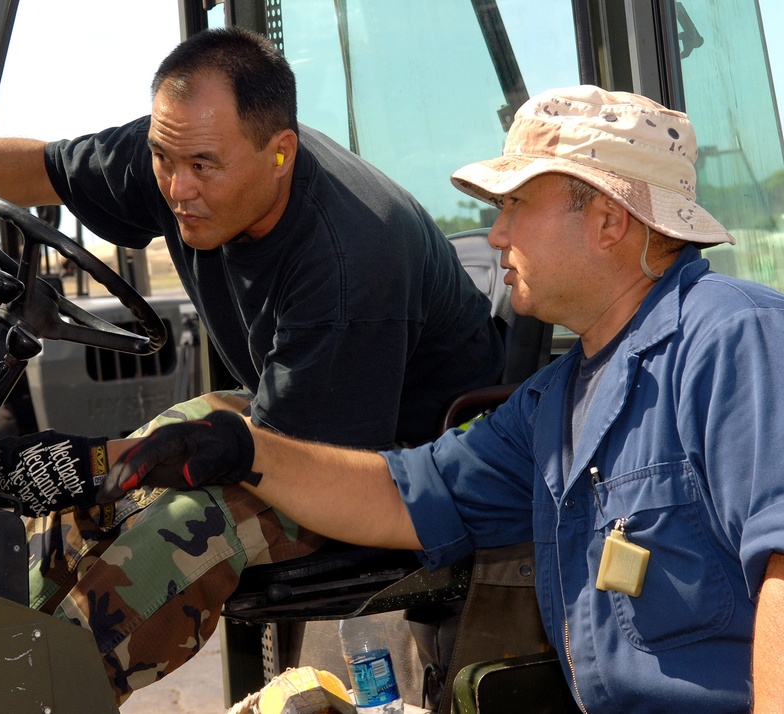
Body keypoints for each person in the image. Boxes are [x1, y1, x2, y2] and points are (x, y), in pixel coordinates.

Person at [107, 85, 784, 712]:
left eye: (516, 205)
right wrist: (248, 450)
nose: (496, 235)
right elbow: (406, 494)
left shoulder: (734, 341)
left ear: (608, 220)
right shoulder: (554, 403)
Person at [0, 27, 505, 703]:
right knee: (76, 512)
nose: (176, 188)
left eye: (202, 166)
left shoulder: (349, 261)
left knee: (161, 549)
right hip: (293, 408)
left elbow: (297, 460)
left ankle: (39, 693)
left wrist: (106, 456)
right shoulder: (179, 151)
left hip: (393, 462)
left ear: (279, 152)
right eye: (163, 158)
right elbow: (42, 169)